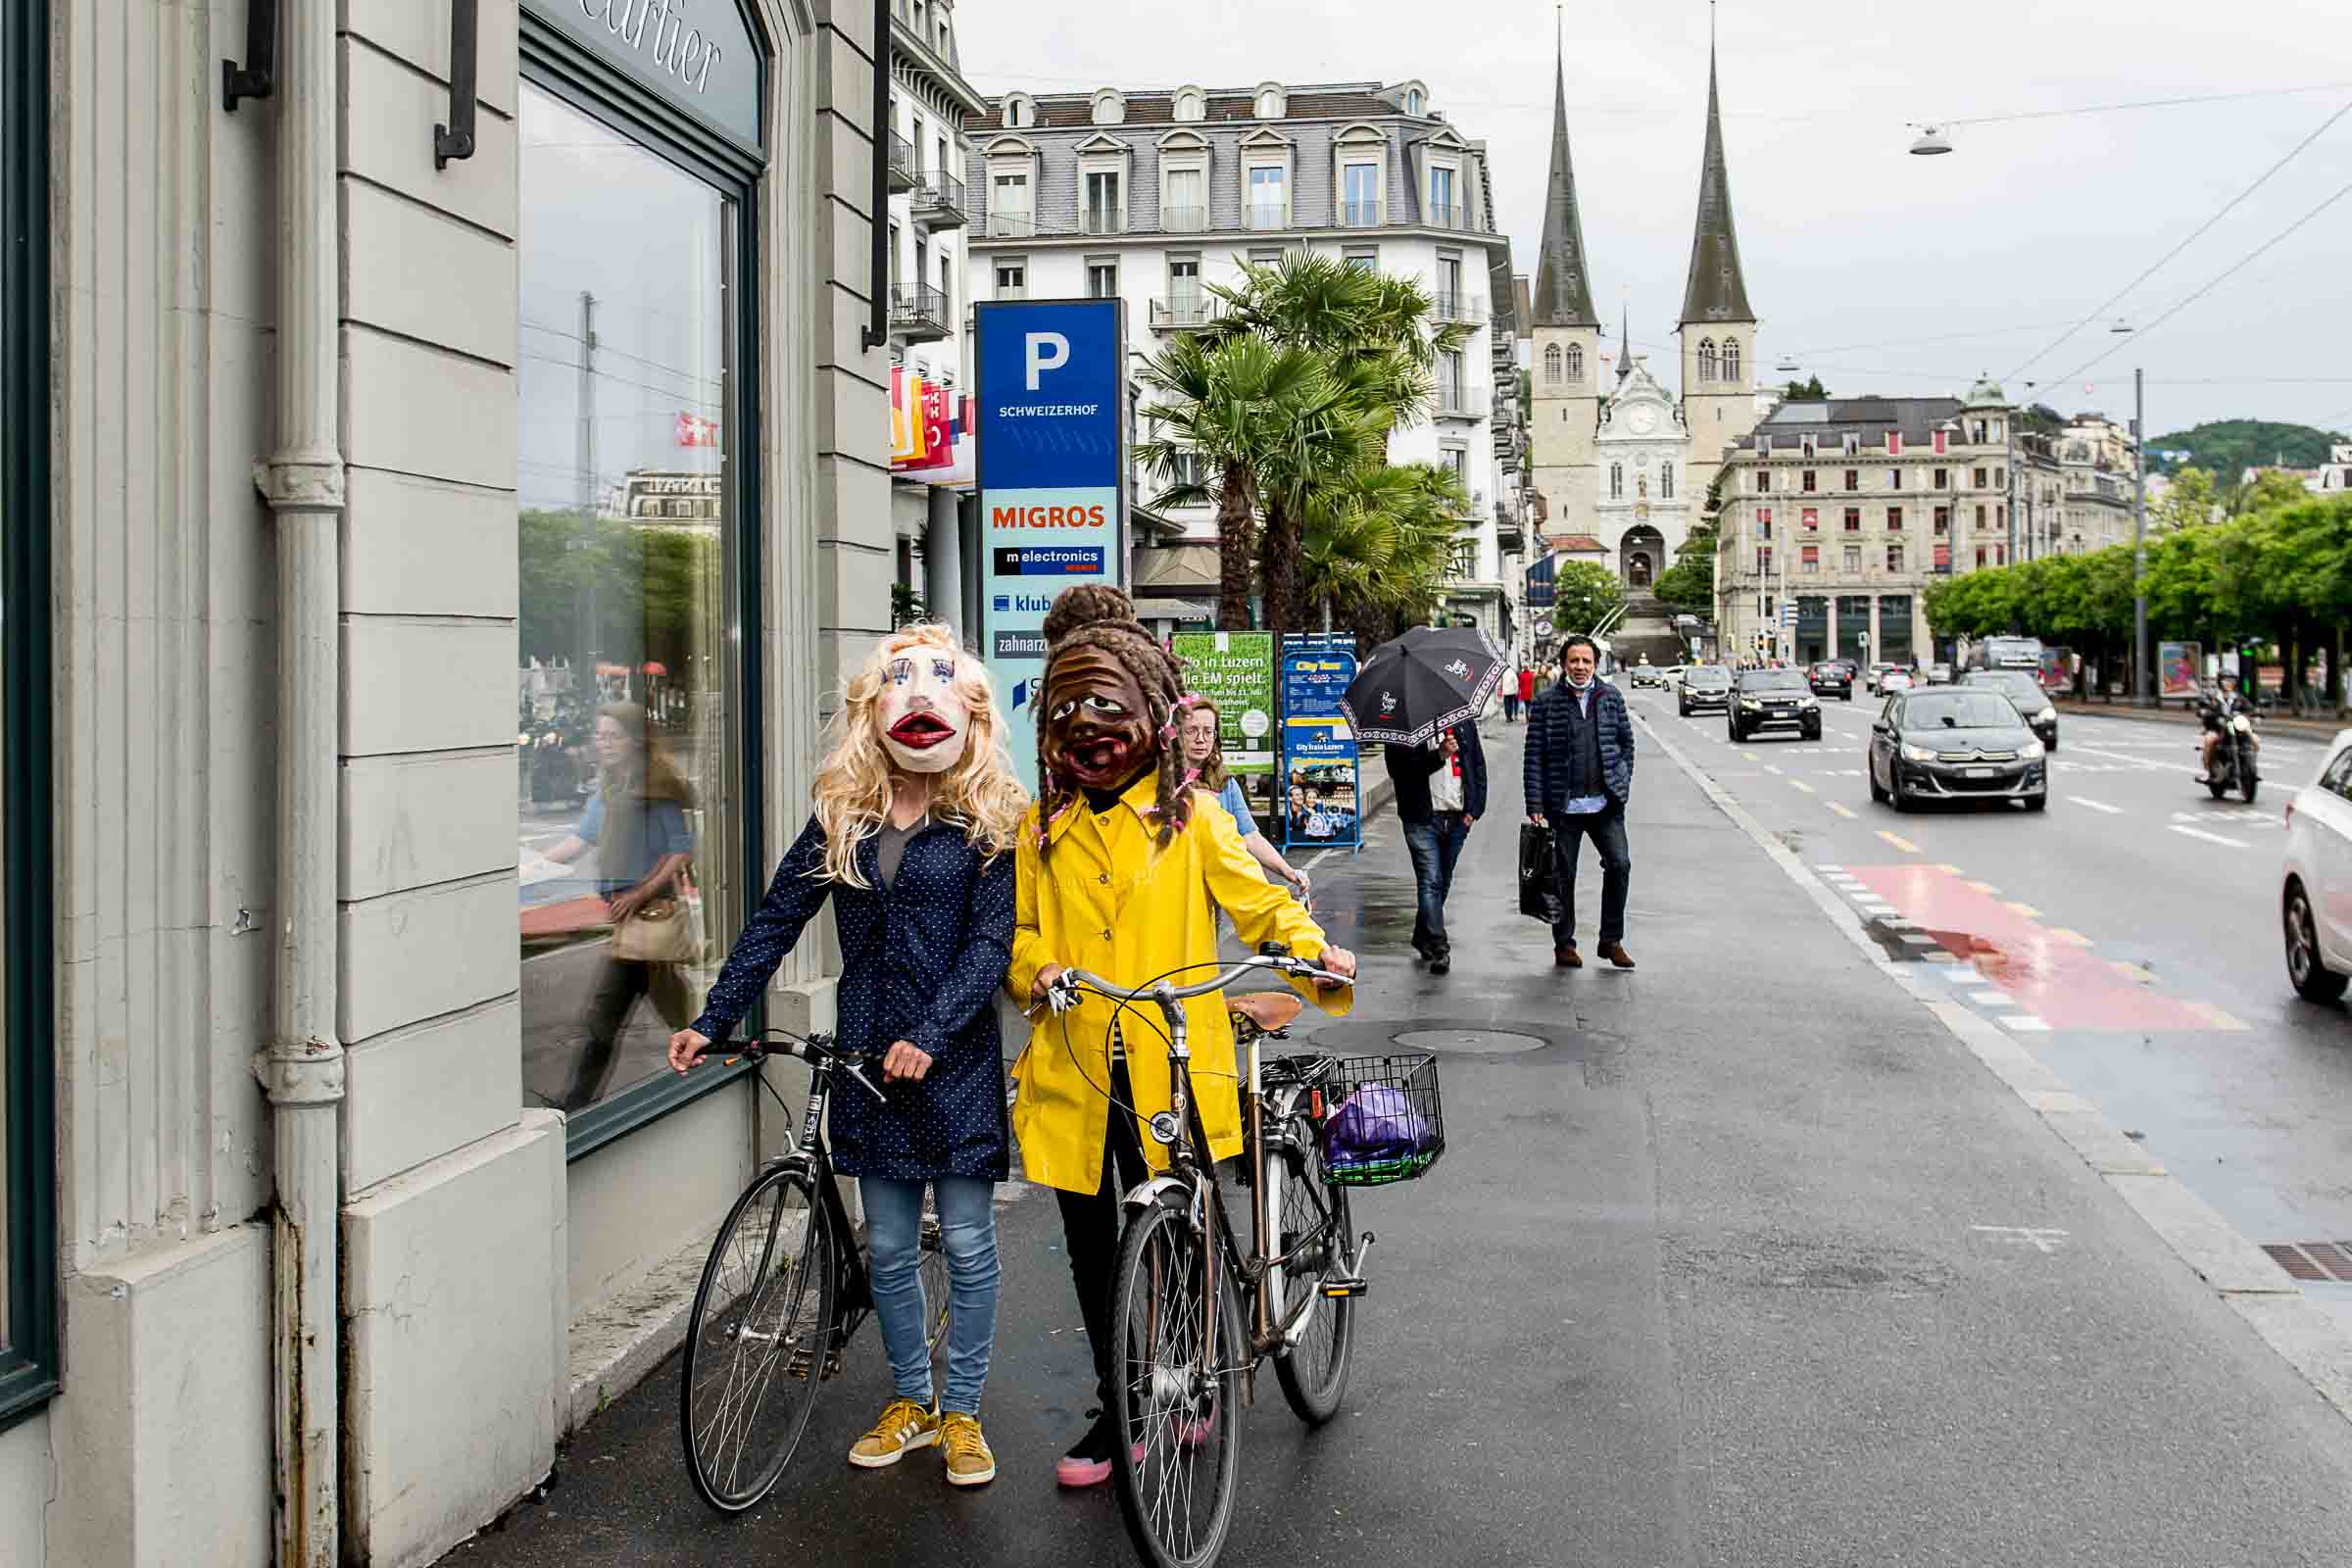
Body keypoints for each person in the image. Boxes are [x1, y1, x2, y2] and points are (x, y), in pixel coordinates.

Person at [1006, 584, 1355, 1488]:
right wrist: (1035, 968)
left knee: (1183, 1228)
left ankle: (1192, 1383)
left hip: (1173, 1058)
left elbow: (1260, 900)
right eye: (1068, 708)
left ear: (1156, 719)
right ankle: (1121, 1403)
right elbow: (1020, 931)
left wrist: (1312, 948)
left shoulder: (1194, 818)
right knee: (1093, 1251)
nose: (1086, 725)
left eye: (1107, 705)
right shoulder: (1040, 830)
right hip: (1077, 1061)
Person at [664, 625, 1027, 1488]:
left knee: (969, 1244)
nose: (919, 702)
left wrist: (931, 1037)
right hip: (867, 1058)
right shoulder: (844, 816)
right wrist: (714, 1016)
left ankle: (965, 1413)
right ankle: (913, 1399)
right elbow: (774, 922)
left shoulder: (989, 820)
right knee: (892, 1249)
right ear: (875, 709)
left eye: (937, 688)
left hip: (954, 1062)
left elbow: (990, 946)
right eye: (899, 687)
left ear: (969, 710)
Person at [538, 703, 697, 1112]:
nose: (603, 742)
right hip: (628, 925)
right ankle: (715, 1060)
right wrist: (525, 867)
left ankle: (573, 1105)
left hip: (649, 917)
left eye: (613, 735)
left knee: (603, 1019)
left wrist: (638, 893)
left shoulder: (656, 786)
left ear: (634, 740)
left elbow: (680, 851)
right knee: (673, 1016)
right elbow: (579, 841)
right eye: (600, 735)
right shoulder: (609, 787)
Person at [1525, 634, 1637, 970]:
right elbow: (1534, 756)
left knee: (1620, 865)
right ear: (1563, 664)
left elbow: (1626, 745)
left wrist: (1621, 781)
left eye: (1586, 661)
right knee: (1562, 877)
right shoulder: (1546, 702)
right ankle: (1565, 944)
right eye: (1574, 660)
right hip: (1564, 807)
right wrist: (1535, 803)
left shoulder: (1610, 697)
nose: (1580, 666)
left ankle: (1611, 940)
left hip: (1605, 805)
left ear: (1595, 665)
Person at [1177, 698, 1310, 900]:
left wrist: (1288, 871)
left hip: (1210, 894)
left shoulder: (1225, 783)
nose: (1200, 739)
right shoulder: (1157, 782)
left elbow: (1250, 836)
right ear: (1176, 734)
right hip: (1171, 890)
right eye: (1191, 730)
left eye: (1208, 731)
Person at [1385, 722, 1487, 975]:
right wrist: (1439, 755)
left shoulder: (1462, 723)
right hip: (1421, 819)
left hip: (1457, 817)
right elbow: (1399, 771)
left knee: (1443, 882)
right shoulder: (1402, 726)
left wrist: (1475, 809)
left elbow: (1477, 763)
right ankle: (1440, 947)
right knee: (1430, 881)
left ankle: (1423, 936)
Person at [2198, 670, 2258, 781]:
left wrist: (2255, 714)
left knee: (2255, 739)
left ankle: (2251, 766)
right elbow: (2203, 707)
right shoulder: (2213, 696)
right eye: (2227, 680)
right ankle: (2206, 771)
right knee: (2209, 739)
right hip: (2217, 728)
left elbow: (2250, 708)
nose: (2230, 682)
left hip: (2233, 726)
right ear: (2220, 681)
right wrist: (2205, 712)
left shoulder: (2238, 697)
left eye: (2232, 680)